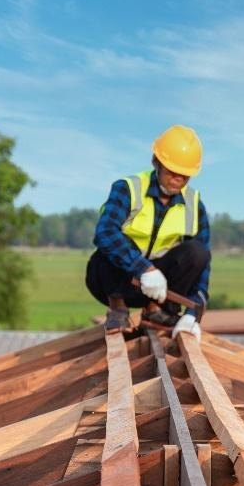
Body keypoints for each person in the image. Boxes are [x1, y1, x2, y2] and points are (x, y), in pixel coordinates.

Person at [87, 125, 211, 337]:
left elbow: (202, 265)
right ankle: (118, 309)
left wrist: (193, 312)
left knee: (197, 252)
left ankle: (156, 313)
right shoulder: (128, 189)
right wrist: (143, 269)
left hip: (162, 292)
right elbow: (105, 232)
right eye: (173, 171)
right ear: (156, 162)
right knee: (111, 245)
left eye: (185, 175)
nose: (178, 179)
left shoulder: (194, 204)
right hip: (117, 282)